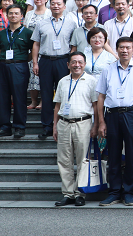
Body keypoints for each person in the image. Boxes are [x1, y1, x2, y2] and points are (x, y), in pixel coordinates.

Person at [94, 36, 133, 207]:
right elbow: (101, 97)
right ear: (117, 49)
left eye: (128, 48)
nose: (124, 51)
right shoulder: (108, 69)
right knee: (113, 155)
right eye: (121, 47)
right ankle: (114, 192)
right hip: (112, 115)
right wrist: (101, 121)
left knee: (132, 155)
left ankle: (128, 192)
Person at [52, 52, 96, 207]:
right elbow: (57, 105)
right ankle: (68, 193)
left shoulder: (91, 81)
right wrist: (55, 125)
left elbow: (96, 105)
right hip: (64, 123)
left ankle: (80, 193)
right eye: (74, 62)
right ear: (68, 65)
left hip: (83, 123)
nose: (77, 65)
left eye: (80, 62)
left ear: (85, 64)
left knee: (83, 159)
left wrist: (96, 125)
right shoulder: (63, 81)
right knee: (64, 160)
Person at [31, 0, 79, 139]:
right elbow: (36, 44)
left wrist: (71, 63)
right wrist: (35, 62)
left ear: (64, 7)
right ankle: (47, 126)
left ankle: (62, 125)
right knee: (46, 94)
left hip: (63, 61)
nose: (56, 6)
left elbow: (74, 45)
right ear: (49, 6)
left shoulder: (71, 24)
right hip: (45, 61)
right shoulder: (42, 23)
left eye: (59, 4)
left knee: (64, 93)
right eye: (53, 4)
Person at [0, 5, 34, 138]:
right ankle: (4, 127)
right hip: (3, 65)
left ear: (21, 16)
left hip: (19, 66)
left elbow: (32, 51)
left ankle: (19, 127)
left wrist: (21, 60)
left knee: (19, 97)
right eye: (10, 13)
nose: (13, 16)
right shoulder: (2, 34)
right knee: (3, 97)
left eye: (16, 13)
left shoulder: (28, 33)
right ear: (7, 16)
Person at [24, 0, 51, 110]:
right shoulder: (29, 14)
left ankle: (42, 101)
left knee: (43, 76)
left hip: (45, 48)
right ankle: (34, 101)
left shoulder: (50, 13)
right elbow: (25, 29)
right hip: (31, 49)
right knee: (32, 75)